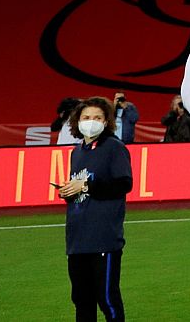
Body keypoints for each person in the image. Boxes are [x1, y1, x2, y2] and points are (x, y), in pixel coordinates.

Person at [57, 96, 132, 322]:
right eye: (86, 117)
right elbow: (81, 189)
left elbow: (123, 184)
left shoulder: (114, 148)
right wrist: (68, 192)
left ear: (106, 120)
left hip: (103, 238)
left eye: (97, 117)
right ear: (77, 121)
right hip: (77, 239)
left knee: (107, 300)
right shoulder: (77, 151)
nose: (91, 121)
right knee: (81, 300)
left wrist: (87, 185)